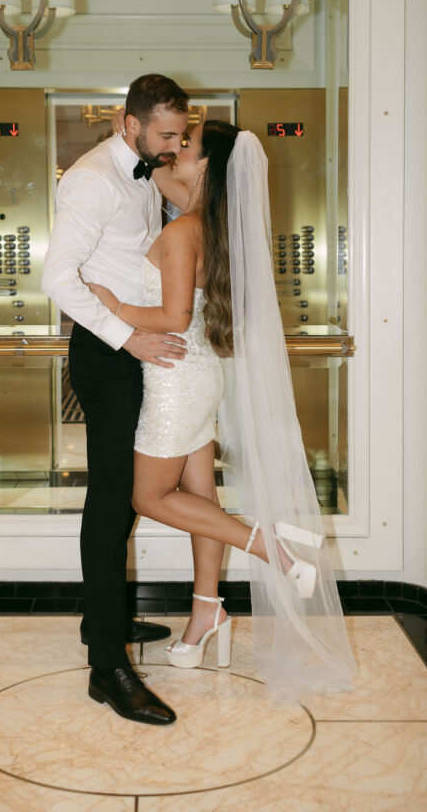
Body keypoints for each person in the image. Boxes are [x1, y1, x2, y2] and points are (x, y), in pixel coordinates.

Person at [89, 117, 357, 706]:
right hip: (200, 373)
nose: (176, 150)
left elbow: (172, 318)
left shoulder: (186, 228)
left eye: (186, 146)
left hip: (175, 377)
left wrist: (110, 305)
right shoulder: (212, 220)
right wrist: (130, 139)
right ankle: (205, 615)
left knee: (149, 498)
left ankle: (271, 548)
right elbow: (158, 174)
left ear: (206, 168)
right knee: (200, 500)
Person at [41, 73, 191, 727]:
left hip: (130, 345)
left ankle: (99, 620)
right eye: (164, 135)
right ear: (128, 124)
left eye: (180, 136)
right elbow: (56, 278)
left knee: (123, 499)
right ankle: (108, 667)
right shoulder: (90, 180)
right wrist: (128, 336)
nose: (173, 145)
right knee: (109, 504)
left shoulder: (139, 172)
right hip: (106, 355)